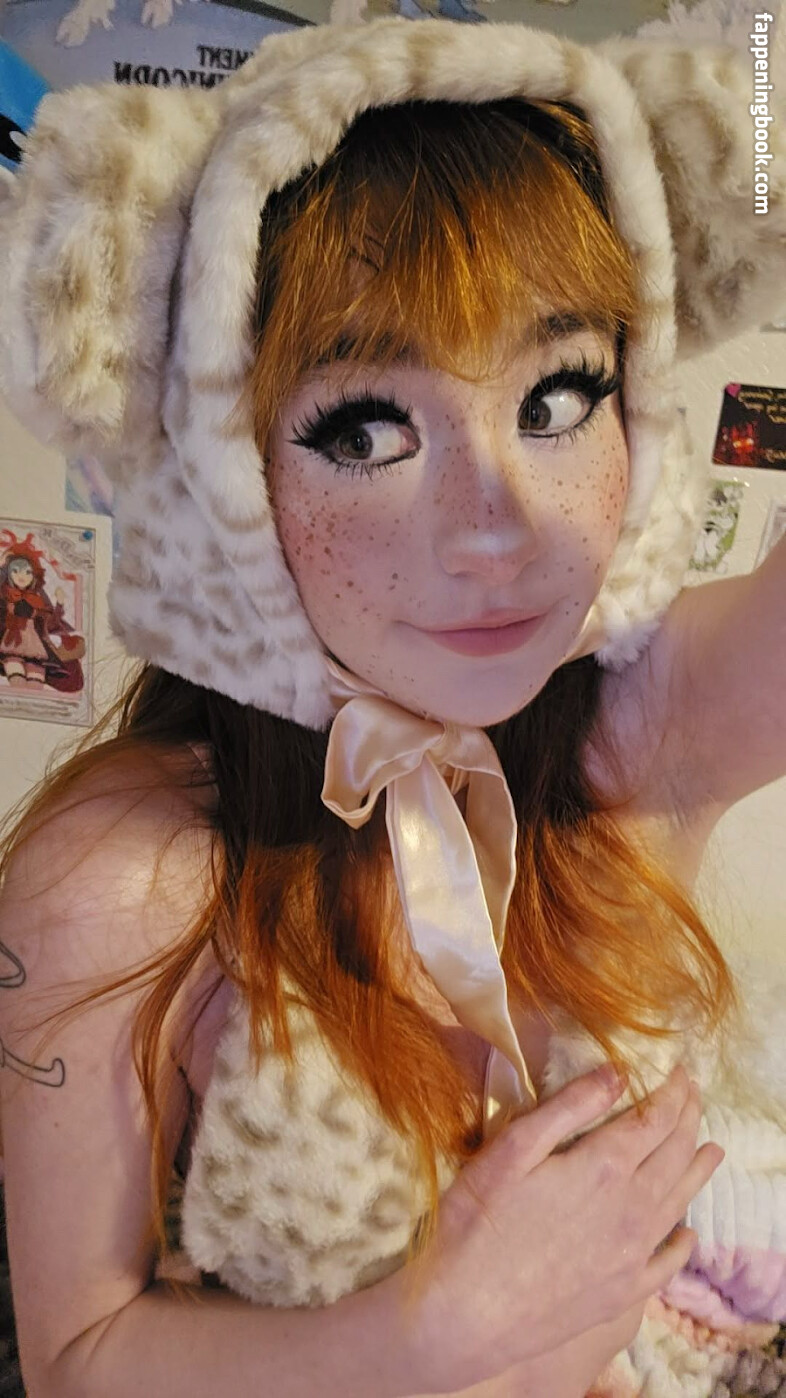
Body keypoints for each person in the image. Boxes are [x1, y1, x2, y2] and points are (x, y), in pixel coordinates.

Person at [0, 17, 784, 1398]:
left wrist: (757, 120)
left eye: (559, 397)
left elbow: (766, 84)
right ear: (220, 467)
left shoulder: (641, 719)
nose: (501, 527)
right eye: (365, 429)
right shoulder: (122, 874)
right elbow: (76, 1357)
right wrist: (429, 1336)